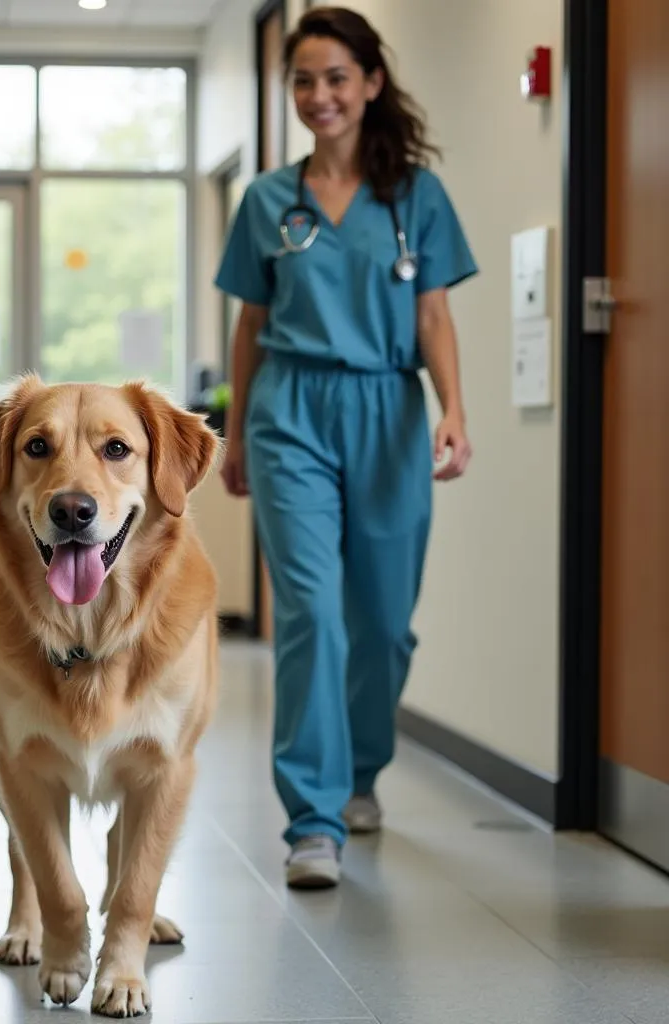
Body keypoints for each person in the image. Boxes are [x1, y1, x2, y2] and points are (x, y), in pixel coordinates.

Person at [215, 6, 478, 889]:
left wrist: (453, 410)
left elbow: (434, 313)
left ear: (370, 83)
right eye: (303, 80)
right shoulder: (266, 200)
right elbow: (250, 323)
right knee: (311, 616)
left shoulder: (417, 197)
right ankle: (312, 820)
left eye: (335, 77)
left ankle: (361, 771)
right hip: (290, 408)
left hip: (390, 412)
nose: (319, 96)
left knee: (382, 626)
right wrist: (236, 431)